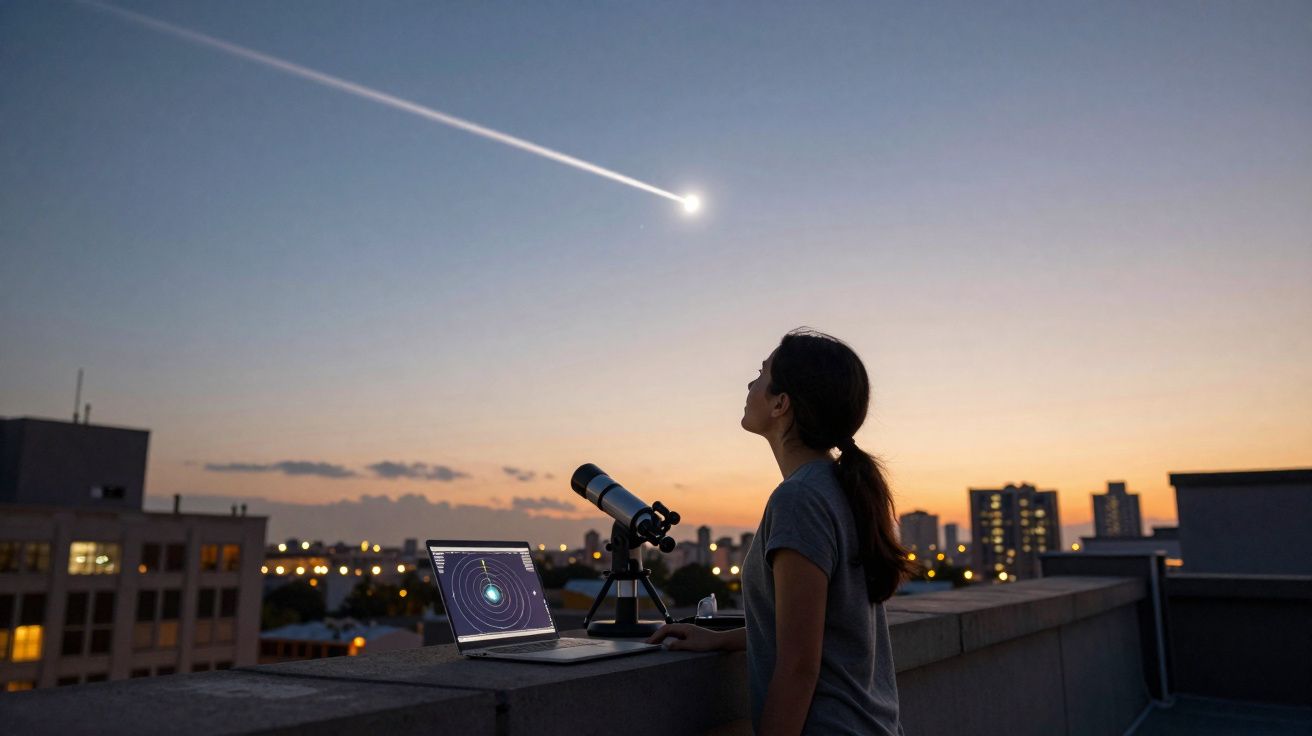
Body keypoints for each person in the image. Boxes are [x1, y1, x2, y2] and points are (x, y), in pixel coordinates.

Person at [647, 328, 915, 735]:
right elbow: (816, 629)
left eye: (761, 373)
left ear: (781, 404)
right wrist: (720, 639)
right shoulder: (838, 485)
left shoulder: (799, 499)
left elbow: (799, 664)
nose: (751, 383)